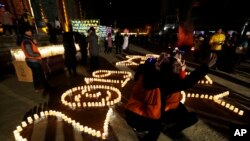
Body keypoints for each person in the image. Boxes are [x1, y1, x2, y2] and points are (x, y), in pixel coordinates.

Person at [125, 52, 217, 141]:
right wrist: (206, 67)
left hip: (134, 112)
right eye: (175, 65)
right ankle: (156, 130)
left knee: (190, 116)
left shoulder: (149, 73)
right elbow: (186, 83)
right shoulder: (162, 82)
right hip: (140, 117)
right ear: (167, 69)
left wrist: (180, 70)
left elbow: (178, 81)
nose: (178, 66)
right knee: (157, 127)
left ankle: (170, 129)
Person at [20, 25, 51, 92]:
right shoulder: (26, 41)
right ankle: (43, 88)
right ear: (26, 32)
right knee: (39, 74)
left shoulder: (27, 40)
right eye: (29, 30)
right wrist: (38, 54)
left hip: (31, 61)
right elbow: (30, 53)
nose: (31, 31)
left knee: (36, 74)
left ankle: (38, 88)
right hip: (34, 61)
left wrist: (35, 44)